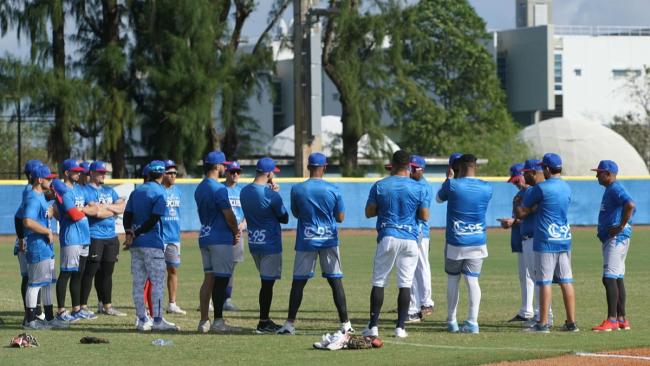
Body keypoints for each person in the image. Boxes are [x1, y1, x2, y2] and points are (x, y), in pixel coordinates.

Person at [278, 152, 352, 335]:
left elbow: (296, 213)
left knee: (299, 282)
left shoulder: (297, 189)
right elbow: (340, 217)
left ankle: (289, 324)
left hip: (306, 239)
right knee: (335, 281)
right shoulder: (333, 188)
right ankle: (346, 324)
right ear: (325, 167)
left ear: (308, 167)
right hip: (328, 238)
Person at [362, 150, 430, 339]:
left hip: (388, 235)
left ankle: (373, 327)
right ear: (409, 165)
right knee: (405, 284)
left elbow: (369, 212)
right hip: (410, 239)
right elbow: (424, 216)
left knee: (379, 281)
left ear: (392, 164)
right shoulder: (419, 188)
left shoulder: (381, 185)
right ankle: (400, 328)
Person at [517, 153, 578, 333]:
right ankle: (571, 323)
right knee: (566, 281)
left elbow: (522, 212)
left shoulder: (541, 188)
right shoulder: (567, 187)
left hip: (546, 239)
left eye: (543, 167)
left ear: (547, 169)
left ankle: (542, 324)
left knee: (544, 282)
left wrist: (521, 205)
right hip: (564, 237)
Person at [437, 154, 493, 334]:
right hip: (477, 240)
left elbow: (438, 199)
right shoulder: (487, 187)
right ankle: (472, 322)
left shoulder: (452, 185)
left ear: (458, 167)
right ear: (476, 166)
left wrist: (449, 178)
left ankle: (452, 321)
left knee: (453, 279)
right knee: (473, 280)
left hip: (456, 241)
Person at [123, 160, 179, 331]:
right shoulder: (160, 192)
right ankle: (157, 320)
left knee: (138, 283)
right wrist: (137, 232)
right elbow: (154, 218)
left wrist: (130, 233)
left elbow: (127, 215)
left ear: (148, 174)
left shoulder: (137, 191)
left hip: (136, 245)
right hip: (152, 243)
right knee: (157, 283)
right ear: (162, 174)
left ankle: (141, 320)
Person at [240, 157, 288, 334]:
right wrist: (275, 193)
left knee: (266, 282)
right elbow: (284, 217)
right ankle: (263, 321)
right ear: (268, 173)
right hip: (270, 242)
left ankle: (265, 319)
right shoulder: (272, 195)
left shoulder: (244, 191)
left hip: (254, 242)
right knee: (267, 284)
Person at [194, 151, 241, 333]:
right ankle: (218, 322)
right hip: (219, 238)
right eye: (223, 164)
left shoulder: (200, 187)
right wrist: (236, 231)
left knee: (209, 279)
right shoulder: (218, 188)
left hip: (205, 235)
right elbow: (228, 215)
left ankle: (204, 320)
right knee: (221, 280)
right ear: (217, 166)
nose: (225, 168)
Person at [590, 160, 635, 332]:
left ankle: (612, 320)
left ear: (608, 174)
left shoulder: (615, 188)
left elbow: (630, 205)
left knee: (608, 278)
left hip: (616, 238)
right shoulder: (612, 189)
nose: (596, 175)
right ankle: (622, 319)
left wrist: (621, 226)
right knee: (616, 278)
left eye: (599, 172)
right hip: (617, 237)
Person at [22, 165, 68, 329]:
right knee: (35, 284)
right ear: (40, 180)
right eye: (49, 179)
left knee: (48, 282)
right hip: (37, 245)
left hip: (46, 247)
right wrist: (47, 231)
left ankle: (49, 318)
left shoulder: (42, 196)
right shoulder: (33, 197)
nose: (51, 181)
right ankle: (30, 320)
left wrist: (49, 212)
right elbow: (27, 221)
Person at [53, 160, 99, 322]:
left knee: (78, 274)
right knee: (66, 273)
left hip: (84, 236)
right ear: (66, 173)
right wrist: (85, 211)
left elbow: (96, 209)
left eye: (80, 171)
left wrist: (83, 210)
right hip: (71, 237)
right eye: (75, 171)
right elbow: (74, 215)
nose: (79, 173)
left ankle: (77, 309)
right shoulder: (64, 192)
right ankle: (60, 311)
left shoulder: (80, 189)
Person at [82, 160, 126, 317]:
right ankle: (83, 306)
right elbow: (96, 213)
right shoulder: (85, 191)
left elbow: (122, 207)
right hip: (95, 236)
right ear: (92, 173)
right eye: (100, 173)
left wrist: (105, 208)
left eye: (104, 173)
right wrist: (112, 209)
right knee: (91, 271)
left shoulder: (109, 190)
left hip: (111, 237)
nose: (103, 175)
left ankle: (106, 305)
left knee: (107, 273)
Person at [499, 163, 534, 322]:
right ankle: (526, 310)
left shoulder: (532, 193)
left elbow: (531, 217)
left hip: (531, 239)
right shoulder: (519, 195)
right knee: (524, 277)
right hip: (520, 239)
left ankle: (533, 312)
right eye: (513, 181)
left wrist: (513, 221)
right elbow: (519, 218)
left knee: (531, 276)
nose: (515, 184)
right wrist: (510, 222)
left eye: (516, 180)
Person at [14, 160, 45, 325]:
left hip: (29, 240)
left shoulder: (34, 191)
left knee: (33, 278)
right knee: (29, 278)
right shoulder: (29, 192)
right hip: (26, 240)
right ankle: (31, 314)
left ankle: (35, 313)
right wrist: (21, 240)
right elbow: (18, 217)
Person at [406, 155, 434, 323]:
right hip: (411, 232)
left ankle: (426, 302)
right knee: (412, 268)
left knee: (422, 266)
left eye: (414, 168)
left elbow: (423, 214)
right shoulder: (411, 184)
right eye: (410, 167)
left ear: (422, 170)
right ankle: (415, 302)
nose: (411, 170)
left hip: (421, 232)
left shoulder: (424, 186)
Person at [161, 160, 186, 315]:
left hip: (173, 237)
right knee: (154, 273)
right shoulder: (158, 190)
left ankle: (172, 304)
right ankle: (148, 306)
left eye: (174, 173)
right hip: (159, 237)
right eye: (169, 172)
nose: (173, 175)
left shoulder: (178, 191)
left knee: (173, 270)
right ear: (163, 174)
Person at [223, 161, 246, 312]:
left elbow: (247, 213)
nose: (236, 174)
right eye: (232, 171)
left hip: (238, 234)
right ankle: (211, 299)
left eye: (238, 171)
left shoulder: (242, 191)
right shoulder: (220, 189)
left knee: (231, 268)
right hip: (223, 233)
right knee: (217, 268)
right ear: (226, 172)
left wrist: (242, 226)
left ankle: (226, 299)